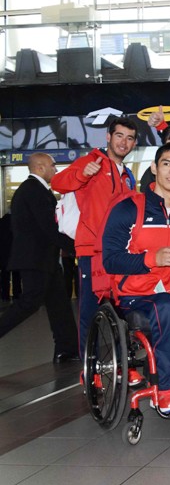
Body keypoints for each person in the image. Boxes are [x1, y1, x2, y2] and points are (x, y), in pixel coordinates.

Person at [101, 142, 170, 413]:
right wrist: (151, 259)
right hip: (135, 293)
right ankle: (166, 385)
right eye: (167, 164)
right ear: (154, 168)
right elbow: (110, 259)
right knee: (167, 307)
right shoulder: (128, 209)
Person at [53, 116, 138, 357]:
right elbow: (58, 183)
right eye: (119, 136)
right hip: (92, 251)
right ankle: (88, 368)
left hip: (119, 253)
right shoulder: (92, 161)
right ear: (108, 137)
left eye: (129, 138)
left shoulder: (127, 175)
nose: (124, 142)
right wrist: (82, 175)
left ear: (134, 144)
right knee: (90, 311)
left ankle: (118, 362)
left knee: (121, 306)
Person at [0, 153, 78, 363]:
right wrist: (76, 247)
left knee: (59, 303)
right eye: (53, 166)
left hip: (45, 259)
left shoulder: (36, 190)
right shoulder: (33, 190)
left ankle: (68, 349)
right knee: (29, 303)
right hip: (35, 260)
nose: (56, 170)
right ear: (41, 167)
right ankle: (67, 348)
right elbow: (49, 228)